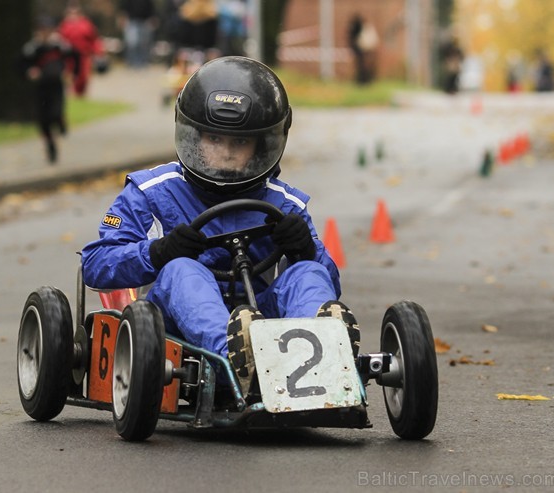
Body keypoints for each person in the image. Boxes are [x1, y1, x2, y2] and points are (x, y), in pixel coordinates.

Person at [81, 57, 356, 398]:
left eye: (239, 143)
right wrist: (158, 252)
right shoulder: (152, 192)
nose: (225, 153)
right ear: (194, 135)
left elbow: (327, 280)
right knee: (182, 269)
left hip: (264, 324)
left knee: (308, 274)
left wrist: (306, 252)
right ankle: (236, 361)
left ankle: (322, 352)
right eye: (214, 138)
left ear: (263, 144)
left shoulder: (284, 204)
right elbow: (95, 264)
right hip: (174, 334)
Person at [19, 17, 80, 164]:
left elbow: (76, 56)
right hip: (40, 87)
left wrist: (72, 73)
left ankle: (61, 123)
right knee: (43, 120)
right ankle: (51, 146)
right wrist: (29, 71)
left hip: (56, 85)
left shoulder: (60, 46)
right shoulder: (33, 48)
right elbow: (19, 63)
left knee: (55, 112)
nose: (45, 34)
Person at [58, 4, 105, 97]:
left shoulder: (86, 24)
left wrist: (99, 52)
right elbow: (60, 39)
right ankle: (70, 94)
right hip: (69, 57)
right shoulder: (64, 25)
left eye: (75, 13)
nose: (73, 15)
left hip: (83, 55)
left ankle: (80, 95)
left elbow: (94, 39)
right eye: (71, 13)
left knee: (83, 77)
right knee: (68, 76)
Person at [118, 0, 157, 68]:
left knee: (144, 44)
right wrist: (122, 18)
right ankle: (131, 62)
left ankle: (143, 62)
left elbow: (152, 8)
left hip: (145, 22)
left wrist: (153, 19)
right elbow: (123, 8)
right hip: (131, 22)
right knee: (132, 43)